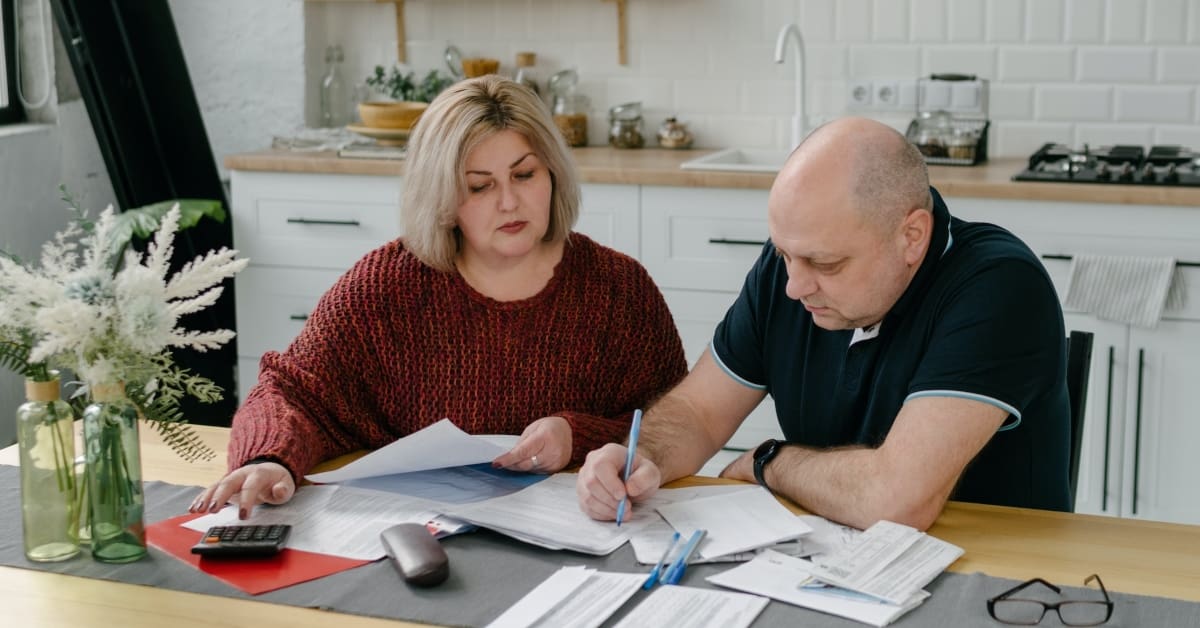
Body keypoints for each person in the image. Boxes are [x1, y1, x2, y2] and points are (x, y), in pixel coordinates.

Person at [191, 75, 687, 519]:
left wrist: (576, 435)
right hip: (415, 537)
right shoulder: (387, 286)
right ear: (443, 200)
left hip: (583, 538)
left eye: (524, 174)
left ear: (553, 174)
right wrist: (268, 457)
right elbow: (290, 392)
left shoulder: (619, 290)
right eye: (479, 186)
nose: (509, 201)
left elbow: (671, 426)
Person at [576, 116, 1071, 531]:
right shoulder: (791, 266)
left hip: (1002, 581)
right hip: (830, 558)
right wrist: (642, 458)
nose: (794, 287)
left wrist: (768, 461)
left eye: (826, 264)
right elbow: (701, 412)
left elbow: (896, 500)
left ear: (912, 237)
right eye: (785, 254)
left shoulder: (998, 285)